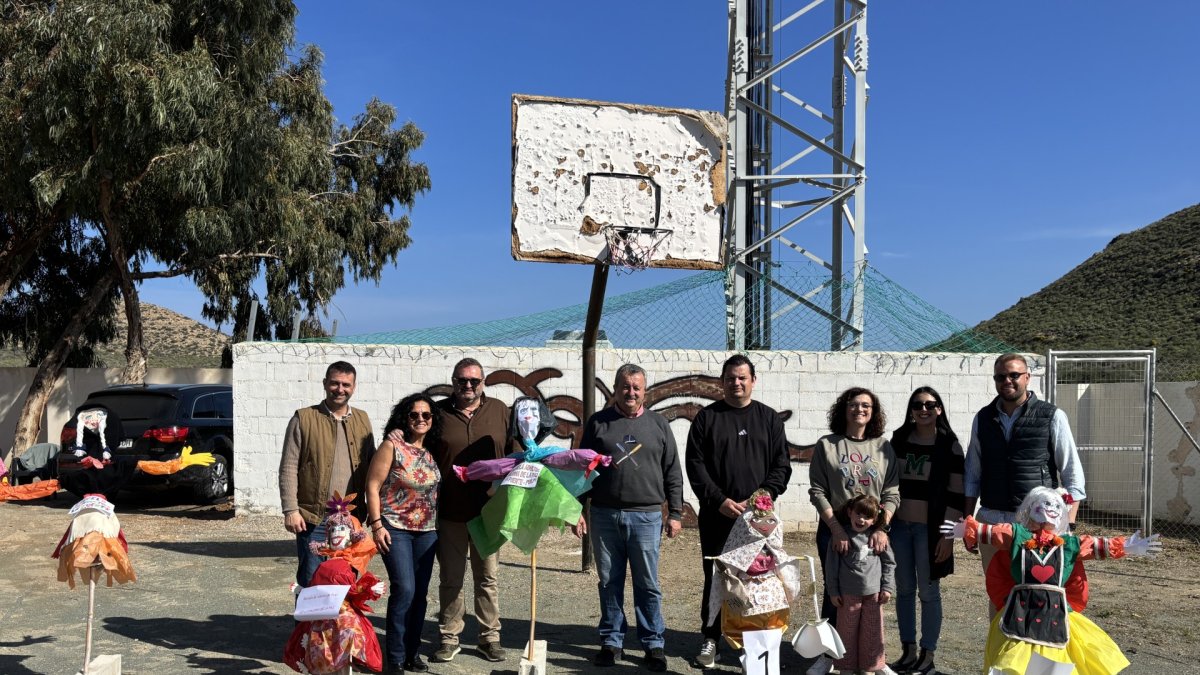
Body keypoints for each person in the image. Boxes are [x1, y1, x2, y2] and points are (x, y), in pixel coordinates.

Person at [941, 487, 1161, 675]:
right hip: (1019, 613)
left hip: (1056, 613)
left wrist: (1127, 546)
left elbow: (1094, 546)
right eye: (1044, 505)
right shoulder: (1017, 536)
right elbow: (994, 532)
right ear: (1030, 509)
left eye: (1056, 507)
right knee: (1016, 660)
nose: (1050, 510)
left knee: (1056, 660)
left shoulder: (1069, 544)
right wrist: (968, 530)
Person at [685, 354, 791, 669]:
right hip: (718, 516)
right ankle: (710, 639)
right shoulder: (707, 418)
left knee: (757, 580)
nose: (737, 383)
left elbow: (781, 466)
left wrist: (762, 497)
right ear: (722, 382)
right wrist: (718, 499)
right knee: (717, 577)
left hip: (758, 519)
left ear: (753, 381)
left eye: (743, 377)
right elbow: (695, 465)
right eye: (731, 378)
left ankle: (753, 646)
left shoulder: (769, 419)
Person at [577, 364, 683, 672]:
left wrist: (674, 513)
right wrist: (576, 511)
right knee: (609, 581)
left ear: (644, 390)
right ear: (615, 389)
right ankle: (612, 641)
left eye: (636, 387)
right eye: (625, 386)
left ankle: (653, 644)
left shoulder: (658, 425)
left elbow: (672, 471)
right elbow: (583, 471)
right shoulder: (599, 423)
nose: (631, 392)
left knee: (647, 583)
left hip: (646, 517)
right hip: (604, 515)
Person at [964, 354, 1087, 592]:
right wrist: (968, 520)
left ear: (1027, 377)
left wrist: (1067, 525)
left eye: (1014, 375)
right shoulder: (982, 418)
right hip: (992, 521)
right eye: (1001, 376)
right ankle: (999, 631)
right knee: (998, 594)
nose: (1007, 381)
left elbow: (1072, 474)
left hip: (1037, 525)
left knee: (1036, 593)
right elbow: (972, 473)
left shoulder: (1052, 416)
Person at [807, 387, 900, 675]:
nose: (860, 410)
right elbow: (818, 490)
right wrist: (835, 528)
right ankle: (830, 654)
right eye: (854, 404)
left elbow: (892, 492)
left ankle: (873, 658)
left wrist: (882, 529)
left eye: (866, 406)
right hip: (836, 530)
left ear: (873, 412)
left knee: (870, 596)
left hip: (872, 532)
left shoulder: (883, 447)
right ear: (843, 408)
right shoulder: (827, 445)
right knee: (835, 591)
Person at [430, 358, 511, 663]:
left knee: (487, 578)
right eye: (462, 380)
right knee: (451, 578)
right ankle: (449, 638)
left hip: (489, 511)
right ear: (453, 381)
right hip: (450, 511)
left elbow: (517, 451)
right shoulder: (438, 413)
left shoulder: (500, 411)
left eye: (474, 381)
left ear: (483, 382)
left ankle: (489, 637)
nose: (468, 386)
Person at [886, 387, 964, 675]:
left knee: (929, 592)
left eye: (930, 405)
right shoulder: (898, 440)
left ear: (939, 410)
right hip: (900, 530)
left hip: (931, 532)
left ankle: (927, 655)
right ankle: (907, 652)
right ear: (911, 409)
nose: (924, 409)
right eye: (918, 404)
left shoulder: (950, 446)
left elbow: (957, 494)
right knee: (904, 590)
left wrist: (948, 535)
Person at [279, 361, 376, 586]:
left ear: (354, 387)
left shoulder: (363, 419)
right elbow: (288, 467)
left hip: (352, 518)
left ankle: (342, 623)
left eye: (346, 384)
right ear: (325, 384)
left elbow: (372, 467)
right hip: (313, 517)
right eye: (334, 383)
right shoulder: (303, 418)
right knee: (311, 580)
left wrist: (372, 509)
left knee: (345, 580)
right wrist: (290, 509)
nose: (340, 389)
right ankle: (309, 623)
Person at [366, 394, 443, 674]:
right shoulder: (392, 445)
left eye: (426, 415)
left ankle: (413, 653)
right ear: (404, 417)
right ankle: (396, 656)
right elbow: (372, 486)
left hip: (427, 531)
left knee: (420, 594)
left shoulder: (434, 449)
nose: (420, 419)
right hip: (394, 528)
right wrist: (376, 525)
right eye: (414, 415)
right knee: (404, 590)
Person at [825, 495, 896, 675]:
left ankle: (871, 666)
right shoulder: (840, 537)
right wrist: (833, 592)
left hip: (874, 595)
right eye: (858, 514)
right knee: (846, 632)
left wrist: (887, 587)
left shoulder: (878, 538)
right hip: (848, 595)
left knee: (872, 632)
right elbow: (831, 567)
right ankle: (846, 667)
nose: (861, 519)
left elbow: (889, 563)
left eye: (867, 516)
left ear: (875, 519)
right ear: (850, 512)